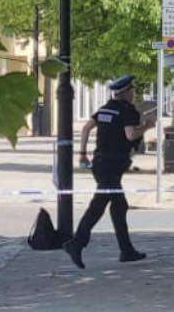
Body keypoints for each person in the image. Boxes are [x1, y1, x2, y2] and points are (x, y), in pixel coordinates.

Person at [66, 74, 155, 268]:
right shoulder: (127, 110)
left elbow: (86, 128)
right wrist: (147, 126)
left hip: (100, 164)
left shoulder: (105, 109)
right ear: (126, 92)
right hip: (112, 166)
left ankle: (126, 251)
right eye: (132, 90)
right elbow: (131, 135)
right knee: (98, 206)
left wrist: (82, 153)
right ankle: (76, 243)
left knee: (119, 206)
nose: (133, 93)